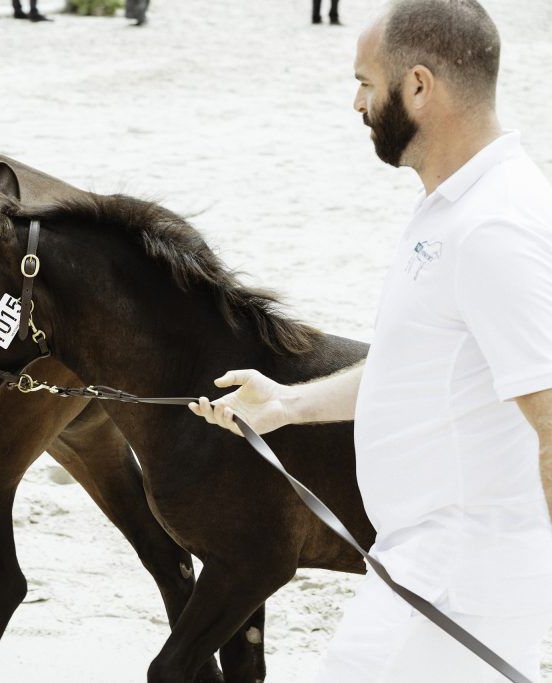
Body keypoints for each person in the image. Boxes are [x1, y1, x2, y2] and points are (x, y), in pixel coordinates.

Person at [191, 1, 552, 680]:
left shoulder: (494, 227)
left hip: (462, 580)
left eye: (366, 82)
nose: (356, 104)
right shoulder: (450, 204)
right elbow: (417, 366)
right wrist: (287, 405)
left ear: (419, 85)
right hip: (421, 565)